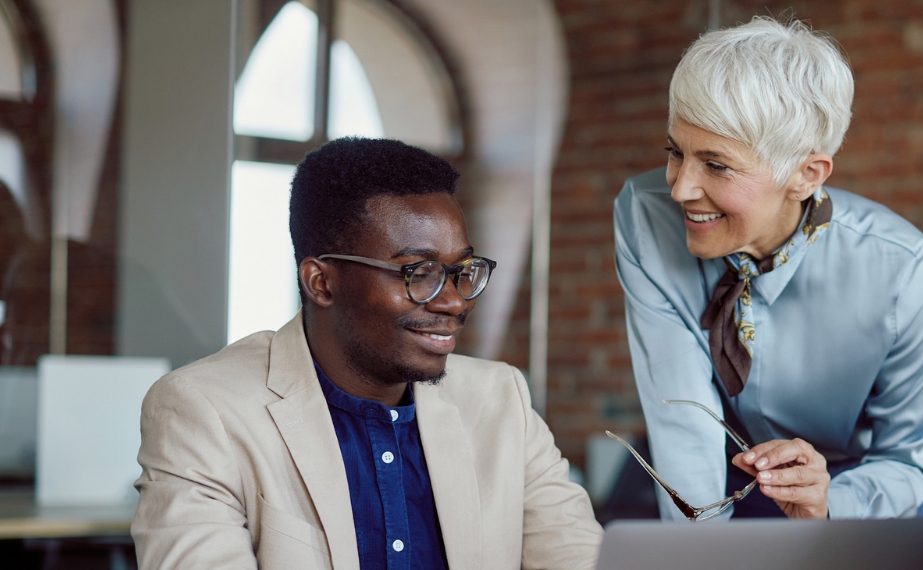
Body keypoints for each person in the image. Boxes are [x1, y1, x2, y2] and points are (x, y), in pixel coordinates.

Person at [133, 138, 602, 570]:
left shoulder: (501, 399)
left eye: (462, 271)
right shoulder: (205, 409)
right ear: (321, 282)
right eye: (418, 272)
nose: (455, 301)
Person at [612, 16, 923, 562]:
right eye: (675, 151)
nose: (679, 188)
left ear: (807, 174)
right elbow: (684, 427)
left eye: (716, 165)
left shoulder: (896, 266)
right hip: (726, 503)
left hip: (867, 509)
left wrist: (829, 503)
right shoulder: (644, 219)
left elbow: (907, 459)